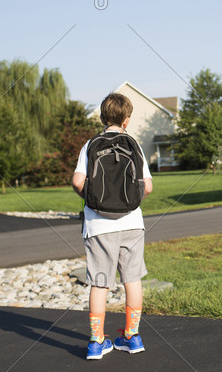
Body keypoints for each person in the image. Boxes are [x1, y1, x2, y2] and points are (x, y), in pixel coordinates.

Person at [72, 92, 153, 360]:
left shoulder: (90, 144)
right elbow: (148, 186)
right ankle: (132, 336)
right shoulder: (135, 145)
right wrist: (128, 203)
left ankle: (97, 342)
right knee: (132, 279)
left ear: (101, 117)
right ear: (127, 120)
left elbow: (77, 182)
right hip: (132, 222)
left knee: (100, 281)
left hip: (98, 225)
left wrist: (93, 200)